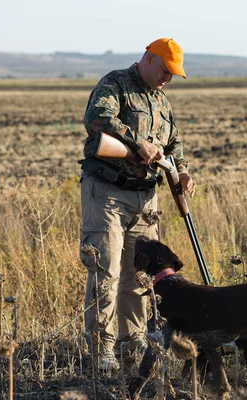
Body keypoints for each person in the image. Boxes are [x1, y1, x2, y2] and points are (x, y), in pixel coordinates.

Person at [79, 38, 196, 372]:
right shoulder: (115, 83)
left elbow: (173, 143)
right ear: (148, 58)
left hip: (146, 196)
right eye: (164, 70)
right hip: (108, 192)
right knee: (106, 270)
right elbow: (97, 119)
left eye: (173, 74)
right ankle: (102, 348)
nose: (167, 78)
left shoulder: (161, 99)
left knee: (139, 275)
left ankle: (134, 341)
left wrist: (182, 171)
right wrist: (136, 143)